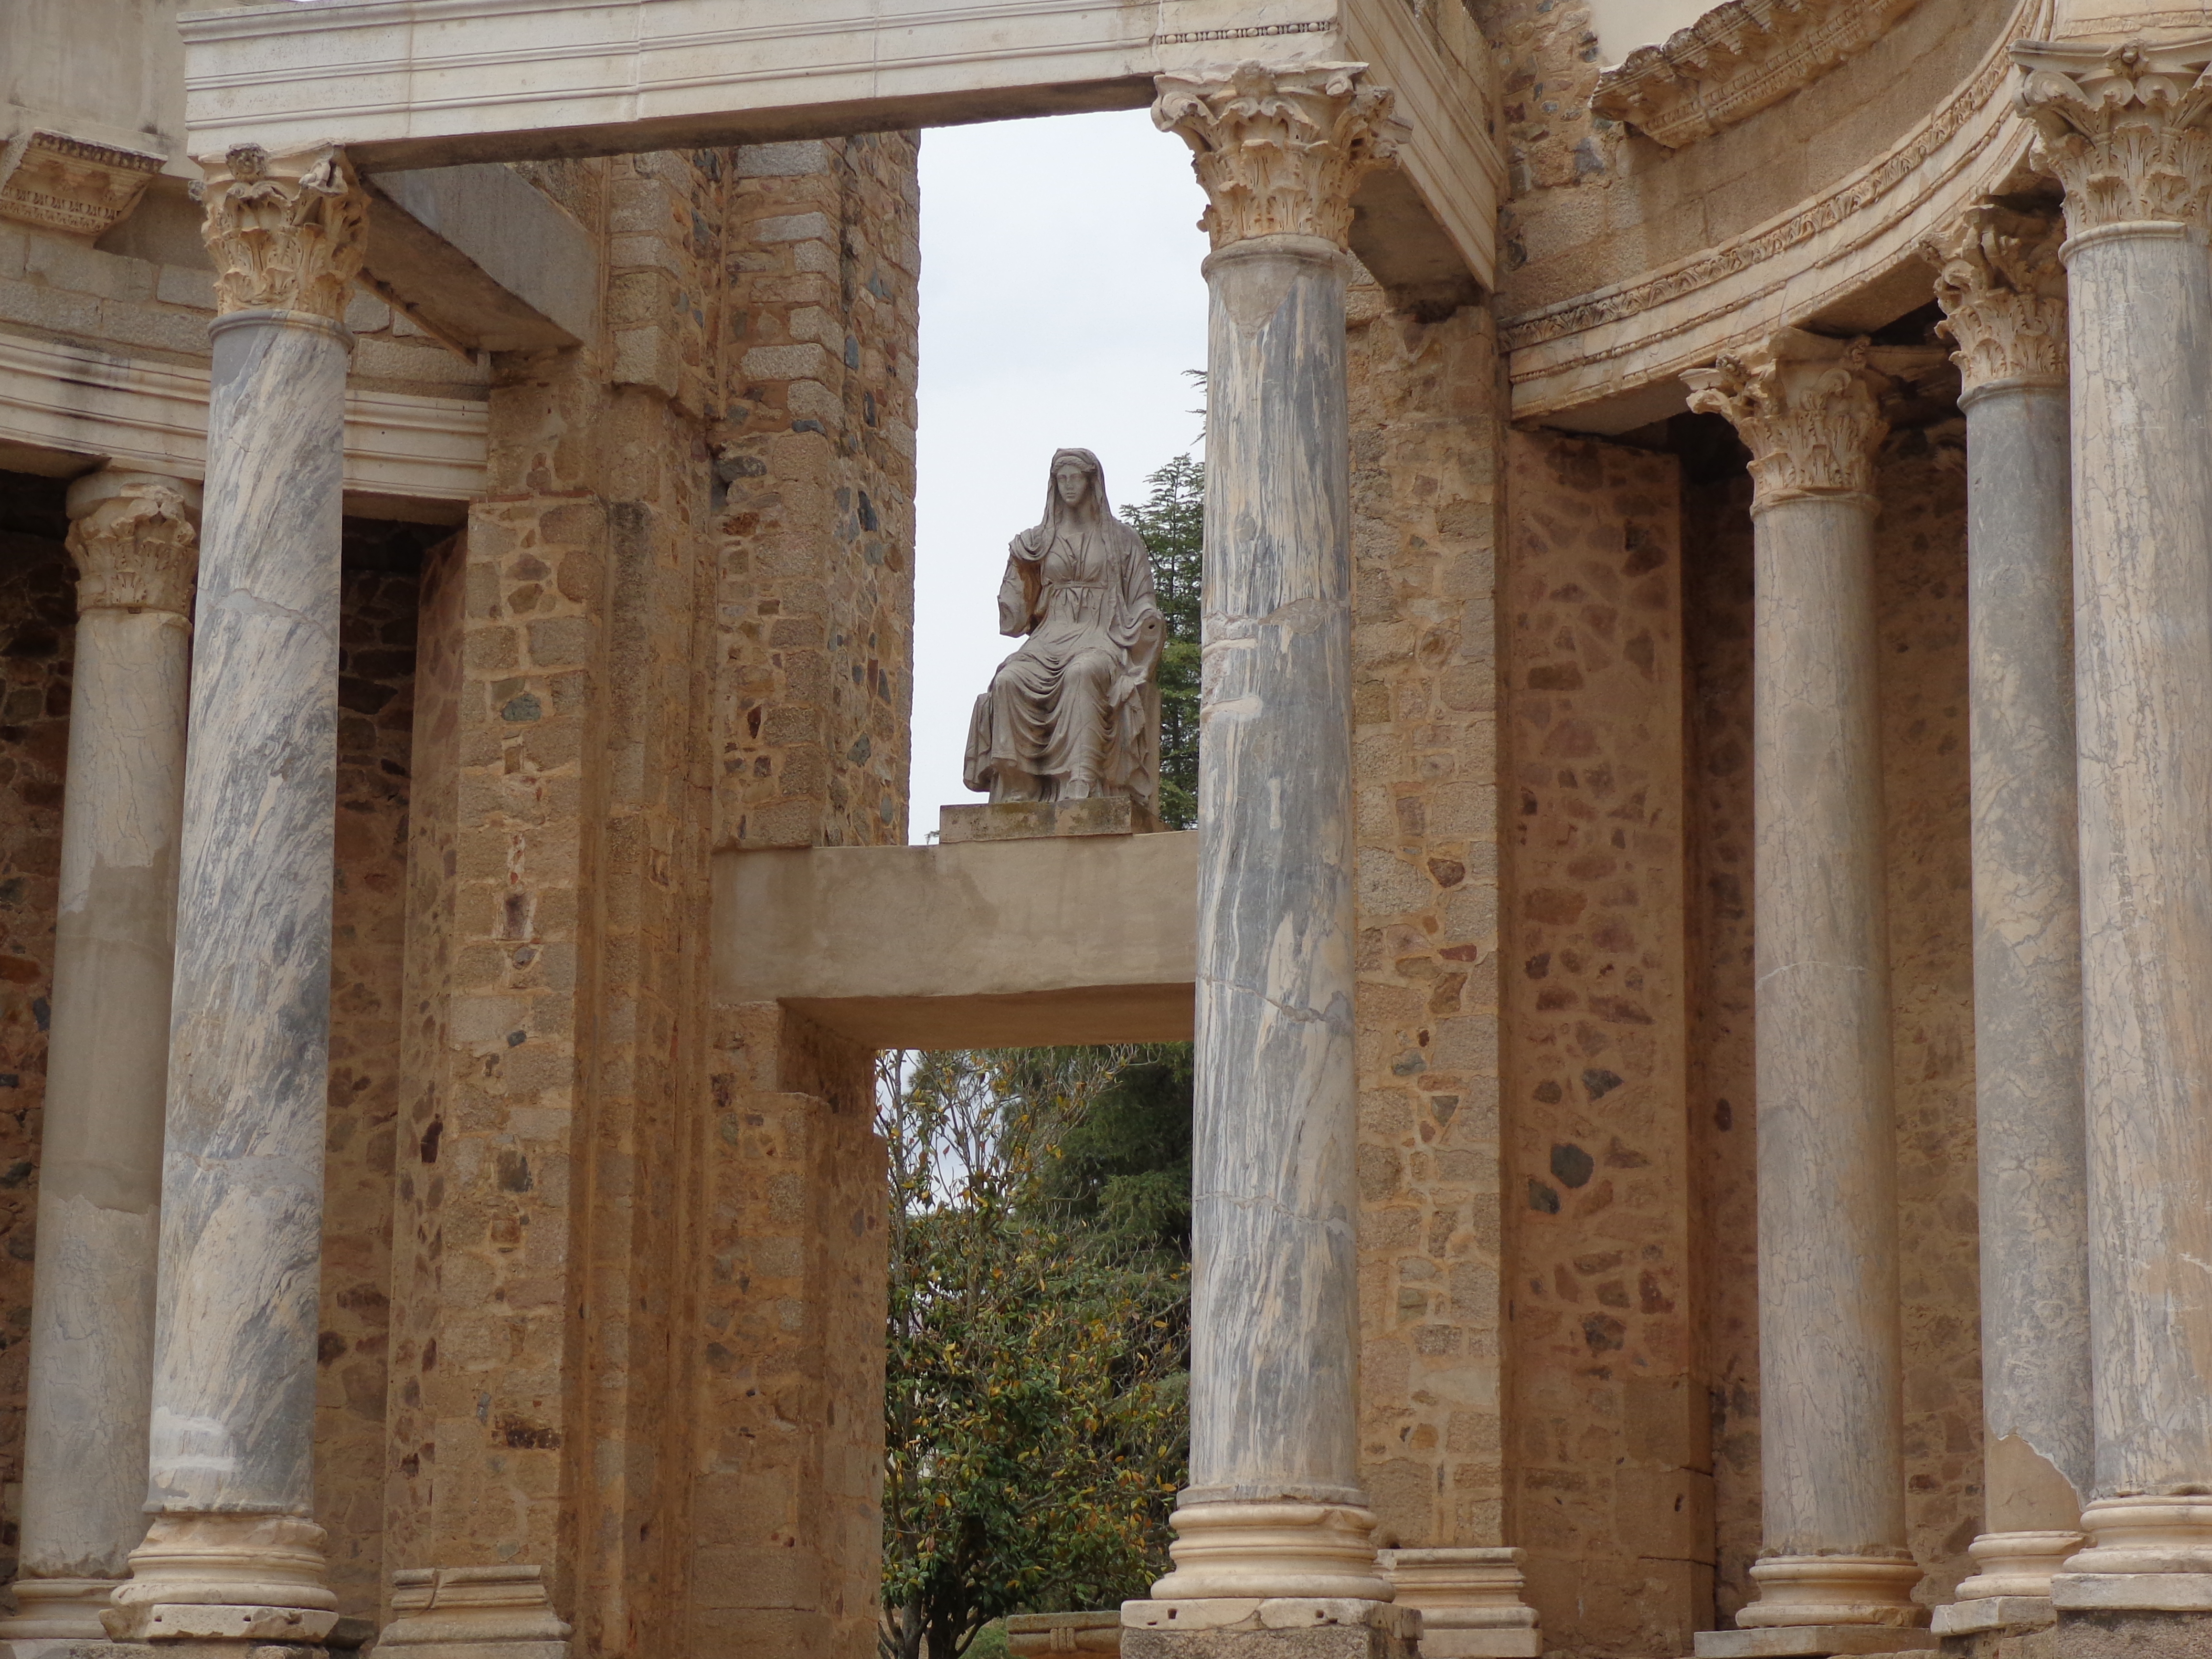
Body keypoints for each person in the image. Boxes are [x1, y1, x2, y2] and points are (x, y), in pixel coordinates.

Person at [964, 448, 1164, 815]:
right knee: (1009, 680)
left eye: (1076, 478)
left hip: (1102, 634)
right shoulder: (1038, 541)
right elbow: (1016, 616)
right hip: (1048, 637)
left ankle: (1081, 778)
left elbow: (1142, 599)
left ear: (1092, 482)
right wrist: (1020, 568)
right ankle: (1019, 782)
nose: (1069, 486)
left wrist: (1148, 620)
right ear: (1054, 485)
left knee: (1082, 674)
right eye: (1062, 479)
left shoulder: (1122, 540)